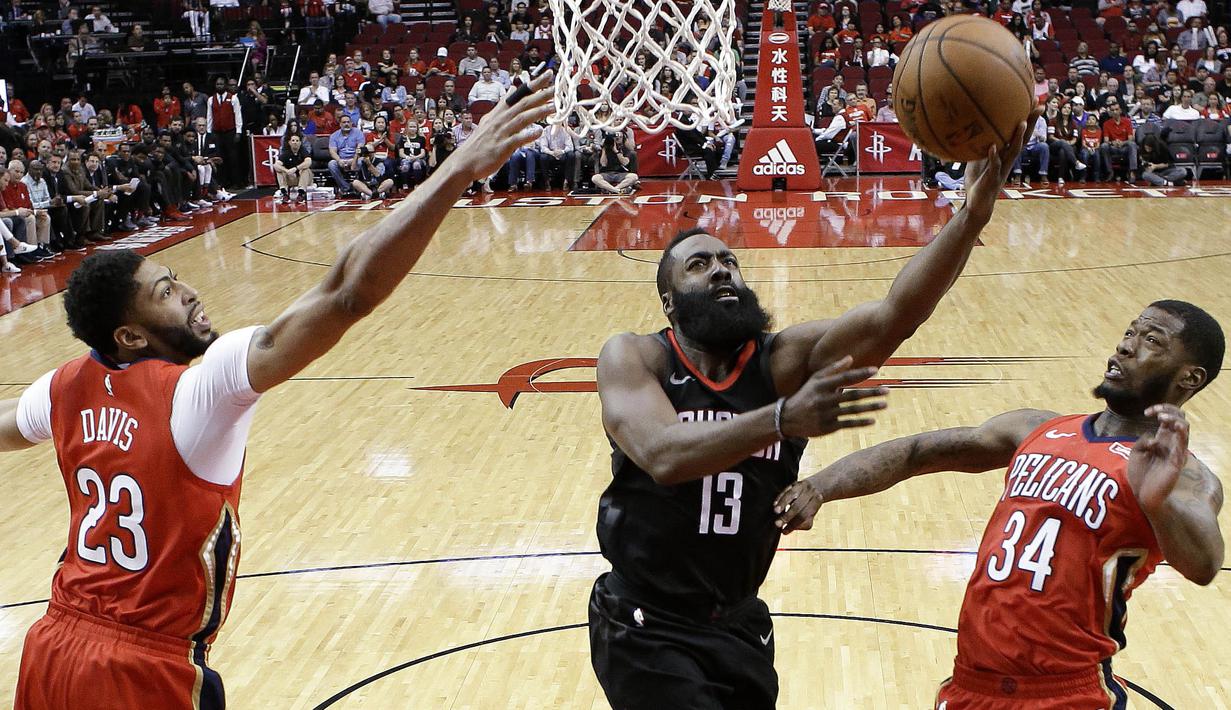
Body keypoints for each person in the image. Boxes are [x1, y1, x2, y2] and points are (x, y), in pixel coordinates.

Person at [6, 72, 556, 710]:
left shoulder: (63, 387)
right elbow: (346, 292)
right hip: (139, 669)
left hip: (50, 650)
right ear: (129, 335)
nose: (190, 293)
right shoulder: (198, 392)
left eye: (175, 279)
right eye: (166, 293)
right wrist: (458, 168)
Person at [588, 108, 1042, 710]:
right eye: (700, 265)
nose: (722, 270)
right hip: (647, 621)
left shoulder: (780, 362)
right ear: (670, 302)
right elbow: (662, 455)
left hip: (739, 619)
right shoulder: (635, 356)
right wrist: (781, 419)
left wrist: (971, 216)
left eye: (729, 261)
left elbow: (893, 317)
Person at [774, 301, 1224, 709]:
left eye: (1151, 341)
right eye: (1129, 332)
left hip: (1069, 694)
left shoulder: (1184, 475)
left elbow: (1204, 564)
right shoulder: (1036, 428)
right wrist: (820, 486)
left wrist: (1158, 502)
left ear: (1190, 377)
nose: (1126, 346)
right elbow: (916, 453)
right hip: (970, 685)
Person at [274, 133, 313, 203]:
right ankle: (284, 193)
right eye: (293, 140)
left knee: (306, 169)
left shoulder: (303, 151)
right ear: (289, 142)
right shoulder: (286, 153)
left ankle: (301, 194)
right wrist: (286, 170)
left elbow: (308, 162)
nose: (295, 142)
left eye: (297, 141)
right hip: (292, 178)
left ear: (300, 143)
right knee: (279, 170)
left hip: (305, 179)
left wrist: (296, 168)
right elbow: (276, 165)